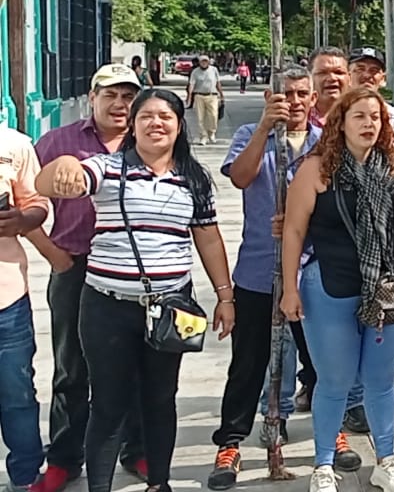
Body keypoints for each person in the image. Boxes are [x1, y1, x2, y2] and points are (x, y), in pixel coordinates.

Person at [35, 88, 237, 492]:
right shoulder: (108, 169)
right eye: (146, 116)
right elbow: (50, 183)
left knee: (160, 400)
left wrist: (225, 296)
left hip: (171, 308)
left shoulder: (193, 179)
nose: (156, 123)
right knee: (108, 405)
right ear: (134, 125)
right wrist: (61, 165)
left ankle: (158, 483)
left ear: (181, 125)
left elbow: (209, 238)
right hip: (107, 306)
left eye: (166, 116)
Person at [280, 87, 394, 492]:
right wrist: (290, 289)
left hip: (388, 287)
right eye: (360, 116)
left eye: (375, 117)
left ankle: (387, 461)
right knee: (334, 381)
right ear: (341, 122)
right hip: (330, 288)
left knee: (380, 380)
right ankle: (323, 465)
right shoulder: (316, 169)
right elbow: (293, 231)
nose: (369, 124)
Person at [207, 66, 333, 490]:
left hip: (312, 271)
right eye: (286, 94)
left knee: (321, 361)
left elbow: (334, 209)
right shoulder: (250, 136)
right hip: (259, 270)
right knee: (248, 364)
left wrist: (301, 225)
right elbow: (241, 177)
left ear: (313, 98)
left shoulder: (325, 145)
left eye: (302, 94)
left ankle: (332, 432)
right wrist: (264, 127)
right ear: (269, 96)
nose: (295, 102)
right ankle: (230, 443)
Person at [25, 64, 147, 492]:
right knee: (71, 368)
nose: (120, 105)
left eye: (128, 96)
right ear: (92, 98)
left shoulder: (148, 139)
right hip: (75, 265)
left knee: (134, 364)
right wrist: (51, 253)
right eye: (110, 95)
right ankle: (63, 456)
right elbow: (27, 195)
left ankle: (138, 449)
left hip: (135, 269)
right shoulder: (59, 142)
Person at [0, 125, 52, 492]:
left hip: (6, 297)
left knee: (16, 393)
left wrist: (21, 220)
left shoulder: (14, 144)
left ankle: (26, 475)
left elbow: (37, 203)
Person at [187, 55, 224, 145]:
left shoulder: (213, 70)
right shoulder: (195, 72)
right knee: (200, 118)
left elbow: (218, 83)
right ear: (199, 62)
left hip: (212, 96)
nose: (204, 63)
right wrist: (189, 96)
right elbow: (191, 84)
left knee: (213, 115)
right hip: (199, 96)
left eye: (206, 61)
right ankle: (203, 137)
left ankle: (211, 133)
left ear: (208, 62)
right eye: (202, 61)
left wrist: (222, 94)